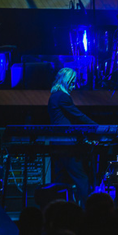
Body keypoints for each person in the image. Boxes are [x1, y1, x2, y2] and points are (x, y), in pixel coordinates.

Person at [48, 67, 97, 206]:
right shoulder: (62, 97)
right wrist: (98, 127)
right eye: (72, 82)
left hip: (57, 144)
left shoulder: (54, 96)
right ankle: (86, 211)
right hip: (66, 145)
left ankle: (57, 210)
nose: (73, 86)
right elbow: (78, 115)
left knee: (60, 181)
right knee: (81, 179)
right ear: (65, 81)